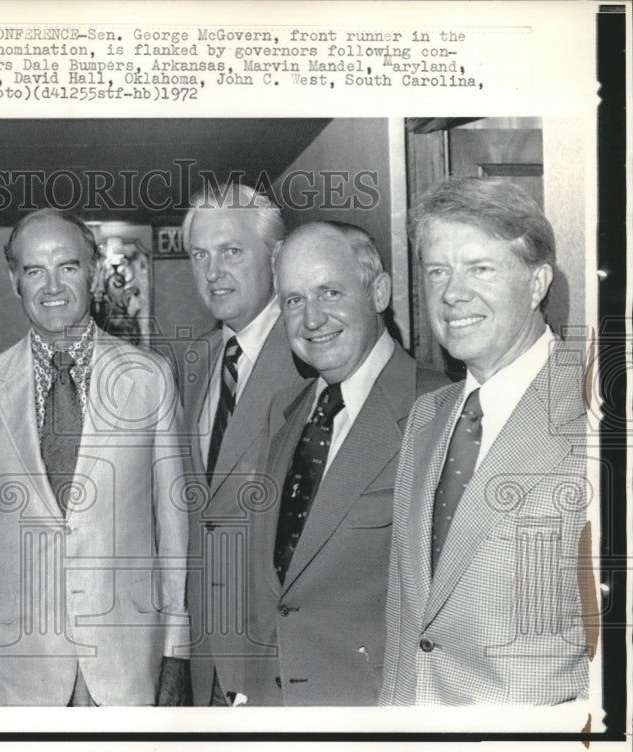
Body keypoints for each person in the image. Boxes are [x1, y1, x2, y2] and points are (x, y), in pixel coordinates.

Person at [0, 209, 190, 705]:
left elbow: (173, 529)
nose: (51, 286)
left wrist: (175, 651)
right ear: (13, 280)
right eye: (33, 270)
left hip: (128, 661)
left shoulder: (149, 377)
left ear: (95, 272)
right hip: (18, 666)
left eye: (67, 266)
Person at [381, 177, 591, 705]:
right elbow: (409, 619)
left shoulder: (600, 413)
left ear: (538, 281)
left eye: (480, 268)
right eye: (438, 272)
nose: (453, 293)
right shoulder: (428, 417)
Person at [244, 221, 447, 705]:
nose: (311, 318)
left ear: (378, 292)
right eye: (293, 300)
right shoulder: (286, 410)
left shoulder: (440, 408)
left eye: (329, 292)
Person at [177, 183, 306, 706]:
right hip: (207, 657)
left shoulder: (313, 355)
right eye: (200, 255)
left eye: (231, 251)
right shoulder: (194, 363)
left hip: (282, 658)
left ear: (276, 258)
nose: (213, 272)